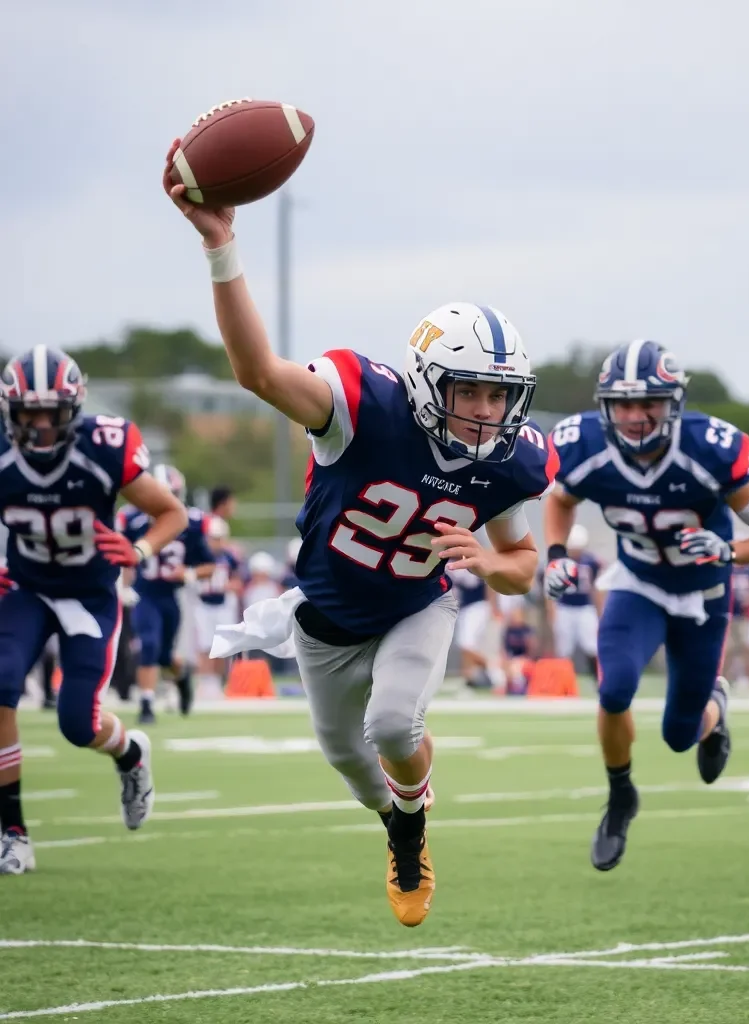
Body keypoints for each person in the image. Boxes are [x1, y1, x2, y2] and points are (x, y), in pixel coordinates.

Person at [164, 150, 556, 927]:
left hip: (418, 604)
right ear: (424, 379)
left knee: (391, 725)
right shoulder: (360, 404)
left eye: (498, 394)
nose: (485, 410)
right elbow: (258, 373)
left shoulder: (512, 459)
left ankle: (410, 824)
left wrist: (485, 559)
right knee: (346, 754)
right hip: (327, 613)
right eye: (469, 389)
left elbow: (522, 565)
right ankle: (397, 818)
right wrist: (220, 244)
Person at [543, 340, 749, 872]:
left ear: (673, 403)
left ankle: (715, 707)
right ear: (605, 404)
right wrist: (554, 555)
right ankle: (620, 796)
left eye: (650, 403)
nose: (636, 417)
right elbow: (561, 499)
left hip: (703, 594)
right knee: (612, 690)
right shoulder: (583, 443)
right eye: (625, 404)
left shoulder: (710, 448)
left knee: (680, 735)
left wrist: (729, 549)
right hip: (636, 583)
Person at [0, 346, 187, 875]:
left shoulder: (103, 449)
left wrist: (142, 550)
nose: (38, 425)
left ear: (72, 411)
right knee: (1, 682)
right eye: (27, 413)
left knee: (77, 725)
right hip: (26, 587)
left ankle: (130, 754)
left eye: (50, 412)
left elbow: (170, 514)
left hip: (88, 593)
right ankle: (12, 831)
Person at [119, 464, 215, 722]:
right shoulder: (132, 521)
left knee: (163, 655)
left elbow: (210, 565)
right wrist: (123, 586)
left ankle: (181, 676)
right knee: (148, 645)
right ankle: (147, 705)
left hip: (172, 596)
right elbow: (124, 558)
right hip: (144, 593)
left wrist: (189, 574)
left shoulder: (190, 524)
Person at [547, 523, 603, 675]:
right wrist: (552, 613)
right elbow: (551, 590)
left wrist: (600, 611)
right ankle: (563, 681)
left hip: (585, 607)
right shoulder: (558, 562)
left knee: (592, 646)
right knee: (563, 649)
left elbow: (595, 588)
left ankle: (598, 681)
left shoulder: (591, 561)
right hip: (564, 607)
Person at [194, 515, 241, 695]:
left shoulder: (229, 557)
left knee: (222, 645)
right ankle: (205, 682)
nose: (216, 542)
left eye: (219, 538)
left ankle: (219, 682)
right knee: (204, 645)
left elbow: (237, 582)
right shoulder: (199, 555)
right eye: (214, 538)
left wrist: (228, 586)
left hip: (223, 604)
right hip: (203, 604)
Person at [448, 565, 500, 689]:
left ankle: (494, 670)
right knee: (466, 645)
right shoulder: (451, 563)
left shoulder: (472, 561)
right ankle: (469, 679)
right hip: (464, 608)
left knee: (466, 644)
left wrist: (493, 606)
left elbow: (490, 581)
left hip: (477, 606)